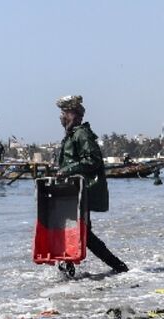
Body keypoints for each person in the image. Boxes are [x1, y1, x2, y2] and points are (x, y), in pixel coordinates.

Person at [54, 95, 128, 274]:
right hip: (73, 191)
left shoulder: (81, 134)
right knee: (78, 232)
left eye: (65, 113)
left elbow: (93, 160)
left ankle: (119, 267)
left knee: (82, 233)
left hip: (82, 191)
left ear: (74, 115)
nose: (62, 117)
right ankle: (69, 269)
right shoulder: (72, 135)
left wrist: (67, 170)